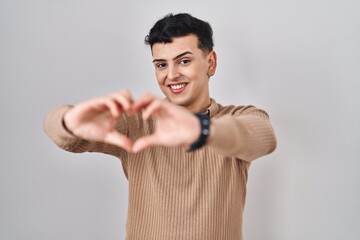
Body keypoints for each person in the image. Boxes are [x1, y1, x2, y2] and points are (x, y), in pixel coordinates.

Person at [44, 13, 276, 240]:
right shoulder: (136, 123)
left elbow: (263, 137)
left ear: (211, 63)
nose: (172, 75)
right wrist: (68, 121)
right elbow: (58, 130)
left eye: (184, 61)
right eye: (161, 65)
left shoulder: (238, 117)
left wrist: (201, 130)